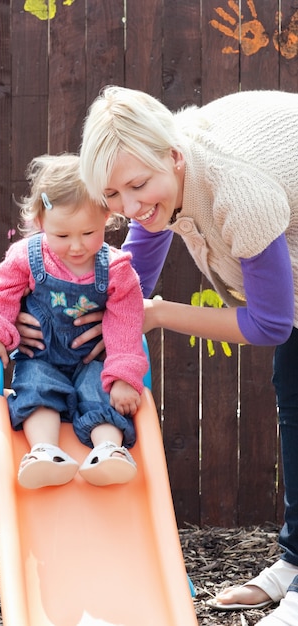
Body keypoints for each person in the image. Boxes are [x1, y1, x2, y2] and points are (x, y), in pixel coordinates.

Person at [72, 85, 298, 619]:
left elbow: (270, 323)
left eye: (138, 186)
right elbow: (131, 283)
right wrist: (59, 322)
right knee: (293, 402)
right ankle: (294, 561)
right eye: (112, 196)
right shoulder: (162, 180)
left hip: (263, 205)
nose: (129, 208)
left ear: (173, 158)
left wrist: (159, 313)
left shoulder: (234, 190)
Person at [0, 153, 149, 490]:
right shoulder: (27, 256)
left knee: (102, 392)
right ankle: (44, 452)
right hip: (42, 356)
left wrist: (125, 375)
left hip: (92, 361)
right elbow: (1, 295)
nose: (77, 246)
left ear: (107, 217)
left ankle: (108, 450)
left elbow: (126, 322)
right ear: (40, 222)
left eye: (88, 232)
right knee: (36, 391)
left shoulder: (116, 269)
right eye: (63, 236)